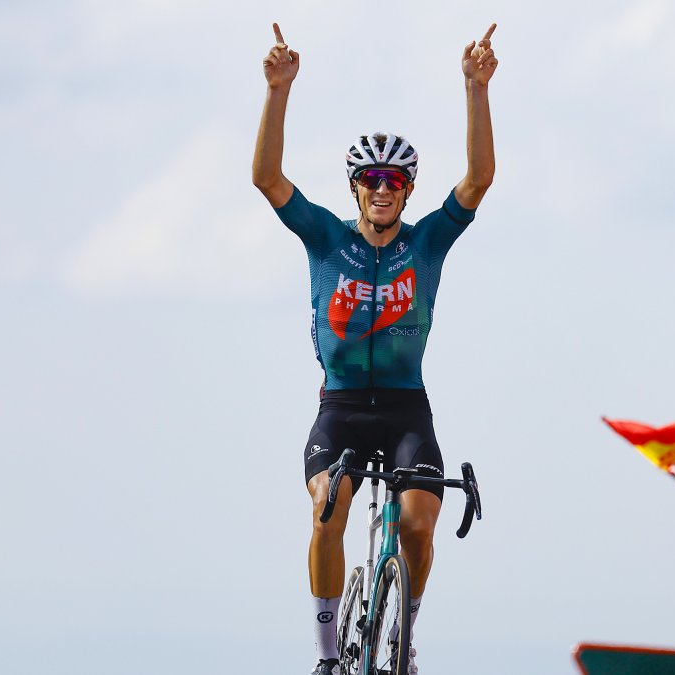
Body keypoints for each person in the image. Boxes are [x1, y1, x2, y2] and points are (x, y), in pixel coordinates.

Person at [252, 21, 499, 675]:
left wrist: (475, 88)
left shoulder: (427, 243)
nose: (383, 187)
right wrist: (278, 90)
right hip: (340, 410)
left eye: (395, 178)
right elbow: (267, 176)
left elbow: (478, 179)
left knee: (419, 524)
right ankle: (329, 653)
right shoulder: (326, 239)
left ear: (408, 189)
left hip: (405, 411)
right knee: (327, 509)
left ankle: (403, 637)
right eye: (370, 177)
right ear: (356, 185)